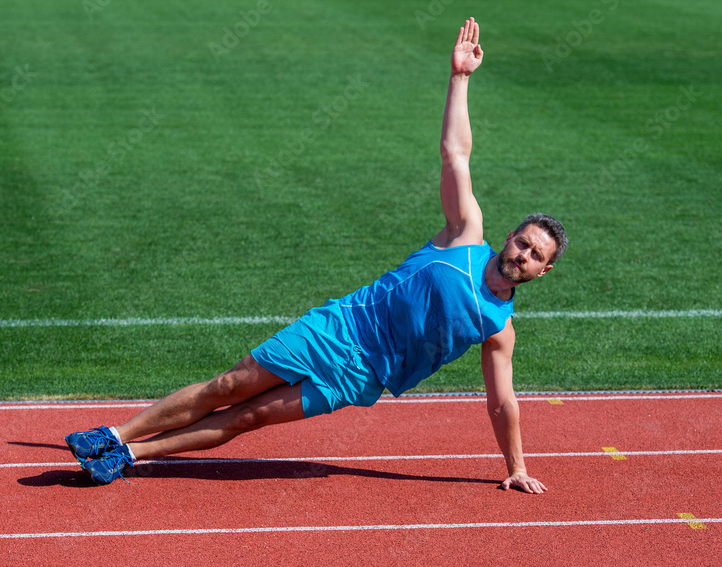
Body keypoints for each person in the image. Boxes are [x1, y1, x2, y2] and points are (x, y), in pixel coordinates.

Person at [66, 17, 568, 491]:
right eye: (522, 242)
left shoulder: (498, 329)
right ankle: (115, 434)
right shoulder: (464, 236)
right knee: (229, 386)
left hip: (360, 375)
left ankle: (128, 455)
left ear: (542, 272)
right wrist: (459, 79)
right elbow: (455, 155)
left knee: (249, 417)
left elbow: (502, 403)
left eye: (535, 255)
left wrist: (517, 468)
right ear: (509, 237)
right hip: (339, 327)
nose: (522, 254)